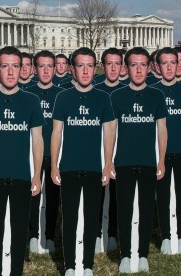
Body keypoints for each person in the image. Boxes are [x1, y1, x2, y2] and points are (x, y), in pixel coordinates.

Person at [0, 46, 44, 276]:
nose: (11, 72)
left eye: (16, 66)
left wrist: (36, 174)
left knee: (18, 230)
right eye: (5, 66)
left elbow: (37, 140)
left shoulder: (31, 101)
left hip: (22, 175)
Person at [51, 47, 116, 276]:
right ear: (72, 69)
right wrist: (54, 165)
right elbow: (56, 133)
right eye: (81, 65)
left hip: (93, 168)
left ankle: (87, 264)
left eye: (90, 65)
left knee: (90, 218)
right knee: (69, 218)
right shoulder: (63, 97)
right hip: (69, 167)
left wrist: (107, 163)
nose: (86, 71)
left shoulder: (103, 98)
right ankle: (70, 265)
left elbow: (109, 132)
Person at [110, 47, 167, 273]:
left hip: (147, 162)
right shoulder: (116, 96)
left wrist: (161, 160)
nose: (139, 69)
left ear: (150, 67)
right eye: (134, 65)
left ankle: (142, 254)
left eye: (143, 65)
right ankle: (125, 254)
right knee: (124, 210)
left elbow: (162, 130)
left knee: (145, 210)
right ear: (126, 68)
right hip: (123, 161)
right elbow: (110, 132)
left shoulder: (157, 96)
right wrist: (109, 161)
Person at [151, 48, 181, 255]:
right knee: (162, 196)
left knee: (180, 195)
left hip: (180, 150)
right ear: (157, 66)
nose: (169, 67)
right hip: (158, 154)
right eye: (165, 63)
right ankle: (165, 236)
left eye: (173, 63)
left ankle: (180, 235)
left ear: (179, 65)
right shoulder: (152, 90)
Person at [27, 50, 64, 254]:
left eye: (50, 66)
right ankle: (33, 235)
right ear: (35, 68)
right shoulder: (28, 94)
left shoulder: (62, 94)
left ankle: (49, 235)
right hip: (32, 154)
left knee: (52, 196)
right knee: (33, 196)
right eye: (42, 66)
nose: (46, 70)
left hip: (54, 154)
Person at [93, 48, 125, 251]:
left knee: (115, 193)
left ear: (122, 66)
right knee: (97, 194)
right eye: (109, 64)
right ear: (102, 66)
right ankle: (96, 232)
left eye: (117, 64)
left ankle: (111, 231)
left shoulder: (129, 91)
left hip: (121, 149)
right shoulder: (95, 90)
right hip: (96, 148)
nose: (113, 68)